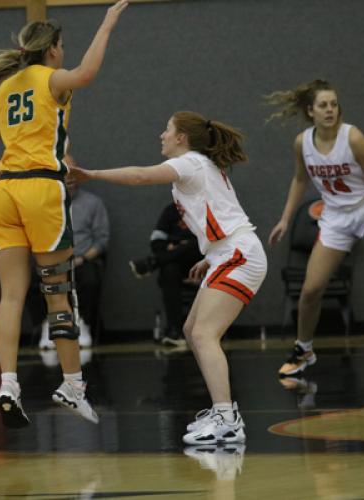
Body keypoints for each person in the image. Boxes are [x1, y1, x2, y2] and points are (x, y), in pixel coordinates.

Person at [0, 0, 129, 428]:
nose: (64, 53)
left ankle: (8, 383)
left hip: (6, 192)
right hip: (41, 192)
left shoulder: (7, 87)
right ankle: (71, 384)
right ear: (51, 50)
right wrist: (106, 25)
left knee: (11, 296)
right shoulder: (52, 80)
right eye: (62, 46)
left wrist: (7, 185)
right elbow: (87, 72)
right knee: (58, 293)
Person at [71, 110, 268, 445]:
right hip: (228, 253)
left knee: (204, 334)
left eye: (167, 130)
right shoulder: (195, 169)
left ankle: (227, 418)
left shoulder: (190, 162)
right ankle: (222, 412)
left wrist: (92, 173)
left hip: (239, 255)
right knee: (192, 331)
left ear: (181, 138)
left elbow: (139, 177)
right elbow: (222, 213)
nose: (161, 135)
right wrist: (210, 256)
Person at [266, 79, 364, 377]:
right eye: (323, 105)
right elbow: (300, 180)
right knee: (311, 290)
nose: (330, 110)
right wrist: (285, 219)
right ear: (310, 111)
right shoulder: (303, 142)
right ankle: (304, 350)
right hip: (335, 218)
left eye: (334, 104)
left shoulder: (353, 138)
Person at [39, 155, 110, 349]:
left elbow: (102, 239)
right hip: (52, 260)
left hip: (83, 259)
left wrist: (82, 258)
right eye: (64, 173)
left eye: (73, 172)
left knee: (91, 280)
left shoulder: (93, 203)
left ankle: (83, 324)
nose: (69, 177)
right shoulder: (45, 205)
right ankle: (48, 325)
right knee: (30, 283)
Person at [130, 202, 203, 346]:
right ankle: (175, 331)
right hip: (176, 266)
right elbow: (156, 242)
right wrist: (178, 246)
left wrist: (175, 246)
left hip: (201, 265)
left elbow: (210, 243)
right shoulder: (170, 210)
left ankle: (153, 263)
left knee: (196, 245)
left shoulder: (207, 208)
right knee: (170, 270)